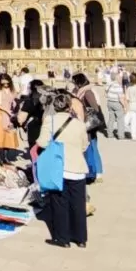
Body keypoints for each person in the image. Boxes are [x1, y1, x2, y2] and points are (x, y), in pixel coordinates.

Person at [37, 90, 89, 248]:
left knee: (60, 203)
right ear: (69, 106)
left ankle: (62, 238)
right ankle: (80, 238)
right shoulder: (79, 123)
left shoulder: (50, 121)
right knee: (78, 205)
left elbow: (42, 142)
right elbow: (84, 145)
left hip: (58, 168)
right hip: (78, 168)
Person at [0, 73, 19, 164]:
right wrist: (6, 111)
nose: (5, 85)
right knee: (0, 134)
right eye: (3, 84)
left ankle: (6, 157)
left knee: (9, 134)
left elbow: (15, 98)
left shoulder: (12, 88)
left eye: (7, 83)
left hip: (9, 113)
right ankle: (0, 157)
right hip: (0, 113)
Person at [104, 74, 127, 139]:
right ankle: (121, 135)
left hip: (109, 102)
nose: (121, 80)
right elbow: (120, 98)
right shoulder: (118, 87)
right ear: (117, 79)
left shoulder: (109, 84)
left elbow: (105, 91)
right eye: (120, 78)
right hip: (117, 103)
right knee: (120, 120)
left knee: (111, 119)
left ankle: (109, 134)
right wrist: (124, 106)